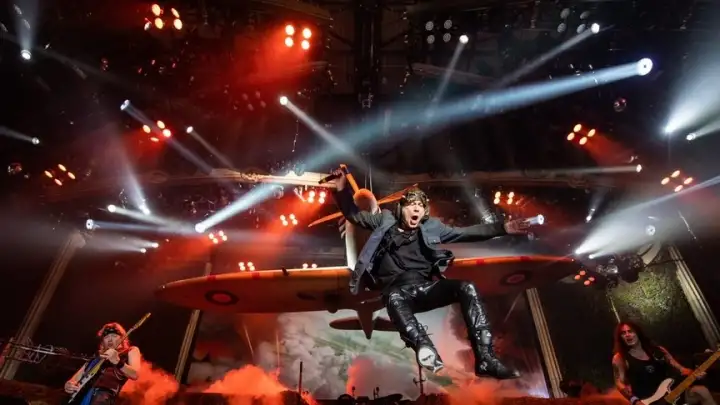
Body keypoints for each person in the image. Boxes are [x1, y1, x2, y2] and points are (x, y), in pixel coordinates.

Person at [329, 168, 531, 379]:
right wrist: (341, 190)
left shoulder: (432, 228)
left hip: (425, 288)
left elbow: (467, 233)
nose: (416, 208)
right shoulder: (384, 221)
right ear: (401, 208)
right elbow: (353, 214)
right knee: (394, 296)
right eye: (411, 205)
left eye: (420, 205)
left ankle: (486, 359)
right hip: (399, 292)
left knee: (466, 287)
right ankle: (425, 349)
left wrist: (503, 228)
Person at [612, 321, 716, 405]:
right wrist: (635, 401)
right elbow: (619, 383)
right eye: (623, 333)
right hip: (647, 401)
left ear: (638, 333)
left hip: (671, 394)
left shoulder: (658, 351)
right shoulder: (620, 358)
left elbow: (680, 368)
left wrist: (695, 374)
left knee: (702, 391)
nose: (627, 335)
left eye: (630, 331)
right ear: (621, 338)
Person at [64, 322, 141, 404]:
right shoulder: (96, 358)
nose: (110, 339)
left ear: (122, 338)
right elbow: (75, 378)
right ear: (102, 341)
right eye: (106, 337)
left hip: (103, 399)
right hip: (80, 398)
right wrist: (68, 385)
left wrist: (118, 362)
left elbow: (135, 374)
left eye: (114, 336)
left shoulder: (130, 350)